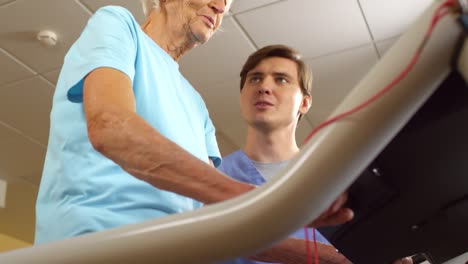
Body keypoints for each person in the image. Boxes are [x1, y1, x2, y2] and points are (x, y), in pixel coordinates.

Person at [35, 0, 353, 261]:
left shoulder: (196, 105)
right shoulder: (118, 25)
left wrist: (324, 255)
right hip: (94, 248)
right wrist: (274, 207)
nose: (221, 7)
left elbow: (218, 223)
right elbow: (110, 127)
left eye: (227, 2)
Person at [218, 45, 414, 264]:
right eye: (254, 79)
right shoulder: (213, 178)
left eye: (281, 79)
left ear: (304, 102)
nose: (264, 87)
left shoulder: (341, 179)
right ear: (242, 95)